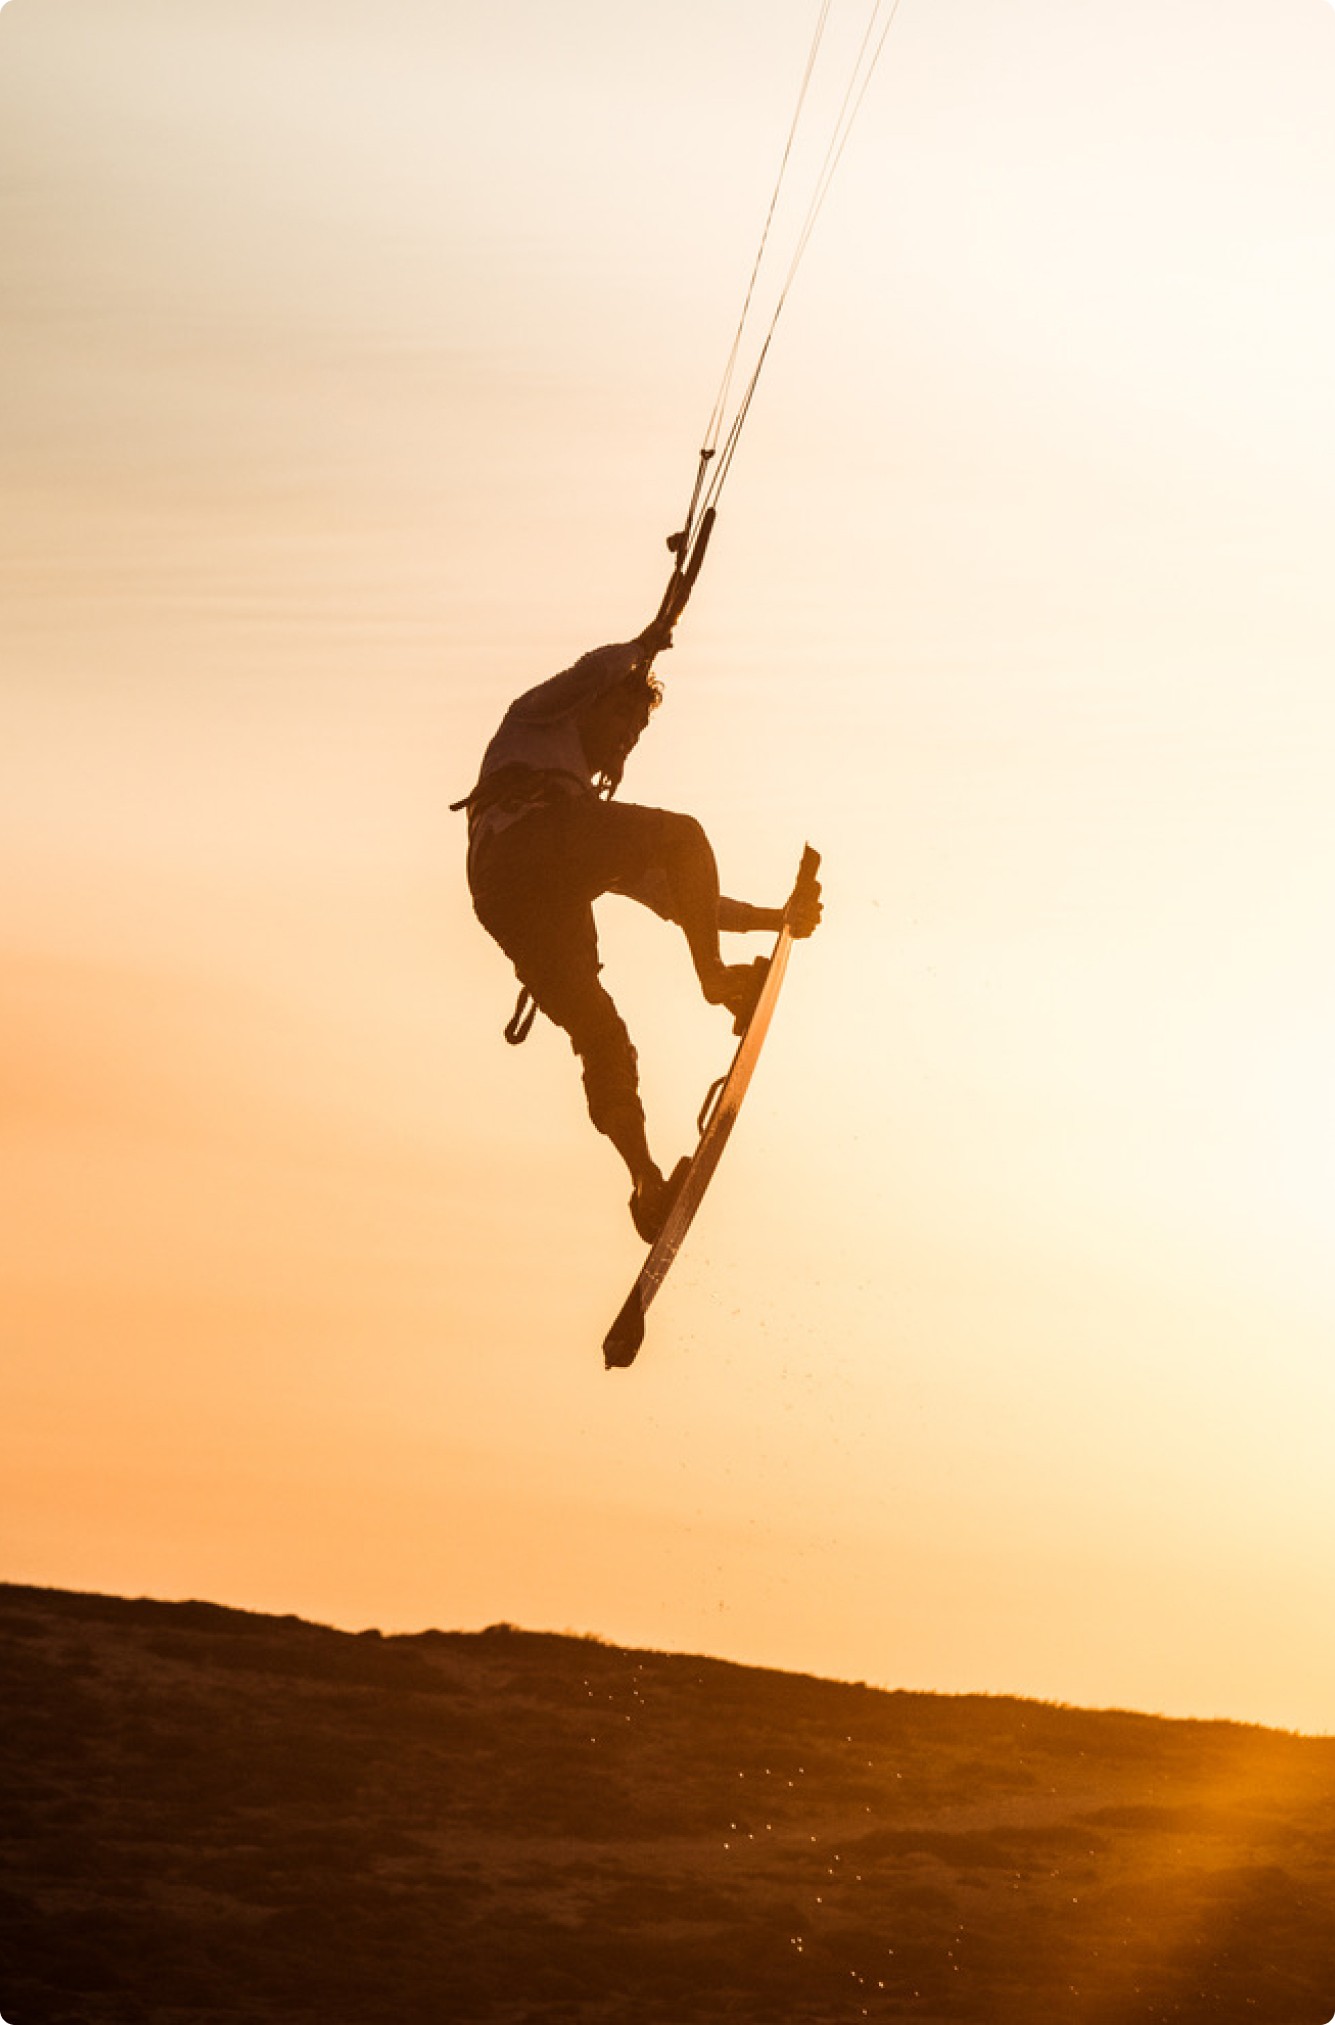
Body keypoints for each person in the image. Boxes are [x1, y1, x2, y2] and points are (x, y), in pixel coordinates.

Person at [457, 621, 821, 1241]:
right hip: (527, 849)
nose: (628, 742)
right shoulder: (535, 723)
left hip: (509, 896)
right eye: (628, 724)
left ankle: (647, 1185)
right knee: (685, 834)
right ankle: (715, 983)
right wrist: (651, 639)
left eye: (638, 735)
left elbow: (684, 898)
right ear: (600, 706)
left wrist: (774, 919)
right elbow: (593, 670)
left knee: (602, 1034)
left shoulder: (580, 814)